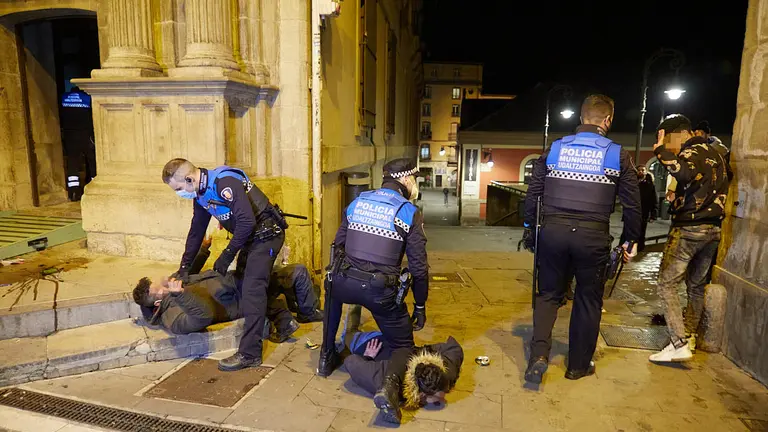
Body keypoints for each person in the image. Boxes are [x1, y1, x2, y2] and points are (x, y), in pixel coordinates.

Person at [522, 94, 642, 383]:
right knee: (588, 299)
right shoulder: (617, 154)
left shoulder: (555, 150)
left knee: (548, 294)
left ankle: (539, 356)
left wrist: (530, 228)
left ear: (581, 117)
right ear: (608, 120)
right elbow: (633, 204)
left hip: (553, 231)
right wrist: (630, 240)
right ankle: (577, 366)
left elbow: (533, 193)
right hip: (592, 235)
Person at [318, 158, 428, 424]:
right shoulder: (408, 211)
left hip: (345, 281)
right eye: (415, 179)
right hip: (380, 290)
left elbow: (338, 244)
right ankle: (389, 388)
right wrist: (420, 306)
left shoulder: (357, 202)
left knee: (331, 292)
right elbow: (419, 269)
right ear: (406, 180)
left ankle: (325, 357)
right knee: (403, 345)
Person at [162, 158, 286, 371]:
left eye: (179, 188)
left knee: (252, 289)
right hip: (251, 238)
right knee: (243, 284)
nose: (179, 193)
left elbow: (247, 221)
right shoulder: (200, 195)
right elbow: (196, 232)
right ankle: (284, 322)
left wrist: (226, 255)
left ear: (190, 178)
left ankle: (250, 354)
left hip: (267, 236)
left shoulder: (224, 182)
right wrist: (184, 268)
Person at [649, 115, 732, 363]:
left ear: (681, 133)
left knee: (666, 283)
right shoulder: (716, 152)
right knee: (695, 286)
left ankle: (678, 342)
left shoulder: (691, 151)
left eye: (667, 138)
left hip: (689, 228)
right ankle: (689, 336)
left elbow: (683, 173)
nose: (668, 145)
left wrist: (661, 152)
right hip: (713, 229)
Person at [132, 271, 299, 341]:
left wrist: (204, 249)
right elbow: (204, 316)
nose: (164, 286)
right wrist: (180, 294)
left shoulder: (170, 287)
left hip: (231, 282)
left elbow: (190, 272)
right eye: (159, 290)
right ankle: (283, 320)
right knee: (272, 292)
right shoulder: (172, 319)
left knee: (279, 277)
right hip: (235, 301)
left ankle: (292, 307)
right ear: (157, 303)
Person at [194, 241, 324, 323]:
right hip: (246, 288)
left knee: (294, 273)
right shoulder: (193, 305)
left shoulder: (184, 280)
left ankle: (306, 304)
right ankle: (308, 310)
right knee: (297, 272)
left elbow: (190, 269)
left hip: (242, 277)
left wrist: (204, 248)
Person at [343, 331, 463, 415]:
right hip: (368, 342)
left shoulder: (442, 370)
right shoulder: (384, 380)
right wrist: (367, 357)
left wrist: (425, 350)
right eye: (437, 399)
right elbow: (351, 361)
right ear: (421, 395)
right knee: (346, 334)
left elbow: (454, 348)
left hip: (394, 339)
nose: (443, 398)